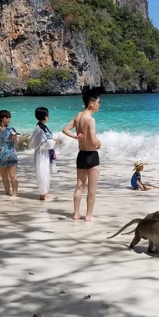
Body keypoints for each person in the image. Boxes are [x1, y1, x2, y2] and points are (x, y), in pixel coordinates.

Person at [62, 89, 102, 221]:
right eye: (98, 102)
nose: (99, 105)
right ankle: (89, 215)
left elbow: (65, 129)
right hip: (92, 155)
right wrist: (99, 142)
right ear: (91, 103)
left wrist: (76, 137)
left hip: (81, 155)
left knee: (79, 185)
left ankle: (76, 214)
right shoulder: (91, 120)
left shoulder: (78, 115)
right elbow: (93, 139)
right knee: (92, 188)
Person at [29, 107, 57, 200]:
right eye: (47, 115)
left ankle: (45, 192)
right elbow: (42, 143)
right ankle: (42, 194)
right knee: (42, 173)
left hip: (45, 153)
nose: (48, 116)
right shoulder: (39, 129)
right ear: (45, 116)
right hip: (41, 154)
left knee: (46, 173)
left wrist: (51, 141)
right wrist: (53, 142)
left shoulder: (43, 127)